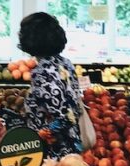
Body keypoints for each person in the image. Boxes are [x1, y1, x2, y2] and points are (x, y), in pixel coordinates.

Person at [20, 12, 83, 158]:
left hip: (53, 152)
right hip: (72, 145)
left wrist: (40, 134)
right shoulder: (66, 64)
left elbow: (64, 117)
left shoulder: (42, 72)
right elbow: (74, 108)